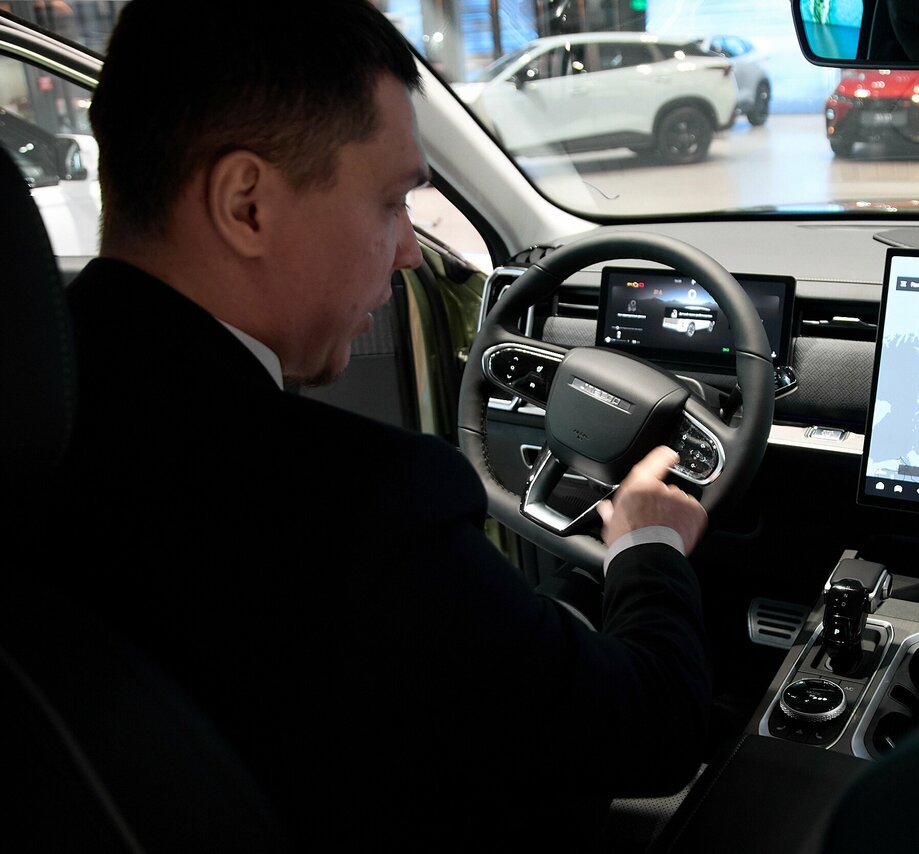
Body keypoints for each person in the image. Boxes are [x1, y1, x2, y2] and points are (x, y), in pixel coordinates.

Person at [54, 1, 711, 850]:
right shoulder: (352, 509)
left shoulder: (49, 413)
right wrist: (646, 546)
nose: (409, 251)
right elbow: (654, 730)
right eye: (392, 202)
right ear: (246, 204)